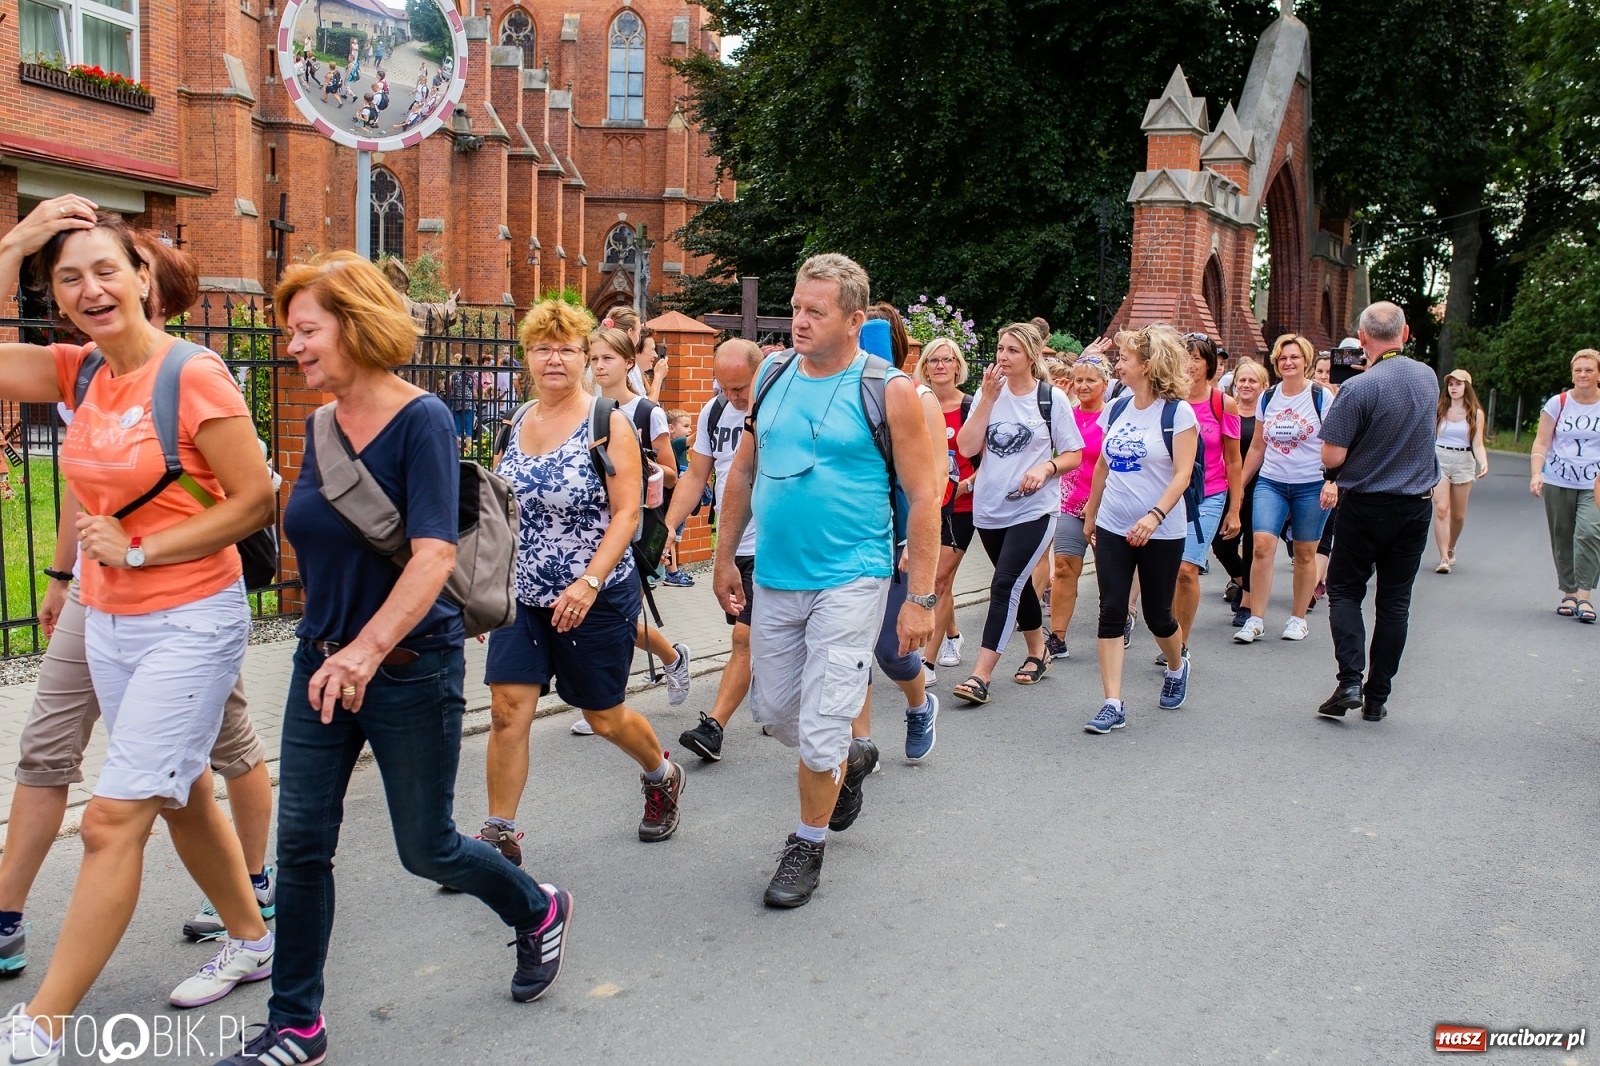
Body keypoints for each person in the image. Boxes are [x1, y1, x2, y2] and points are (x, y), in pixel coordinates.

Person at [220, 255, 573, 1066]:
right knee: (303, 845)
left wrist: (366, 651)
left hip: (409, 664)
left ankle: (537, 910)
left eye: (306, 330)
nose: (294, 347)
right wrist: (335, 651)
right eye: (290, 334)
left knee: (428, 847)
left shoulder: (423, 421)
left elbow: (429, 556)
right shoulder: (318, 425)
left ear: (355, 324)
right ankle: (297, 1024)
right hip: (322, 663)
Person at [0, 201, 277, 1060]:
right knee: (185, 784)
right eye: (68, 277)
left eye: (105, 270)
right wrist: (13, 243)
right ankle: (252, 935)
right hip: (111, 623)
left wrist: (141, 546)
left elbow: (256, 498)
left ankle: (42, 1020)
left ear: (144, 277)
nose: (89, 289)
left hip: (190, 619)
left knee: (114, 819)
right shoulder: (79, 373)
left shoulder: (191, 373)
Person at [712, 253, 937, 908]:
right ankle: (849, 757)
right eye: (796, 308)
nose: (799, 321)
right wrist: (725, 556)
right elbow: (745, 472)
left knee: (820, 726)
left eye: (816, 311)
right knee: (776, 712)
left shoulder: (888, 389)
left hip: (853, 575)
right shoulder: (774, 374)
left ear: (853, 319)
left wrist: (919, 598)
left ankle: (807, 843)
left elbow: (924, 497)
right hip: (778, 575)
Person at [481, 305, 686, 862]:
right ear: (527, 357)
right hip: (522, 595)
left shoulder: (608, 422)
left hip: (592, 593)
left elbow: (625, 515)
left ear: (584, 359)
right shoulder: (514, 421)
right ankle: (499, 833)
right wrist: (488, 588)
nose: (555, 359)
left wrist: (589, 583)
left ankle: (661, 772)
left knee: (602, 716)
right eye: (543, 348)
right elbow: (498, 509)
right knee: (506, 710)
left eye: (568, 349)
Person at [1315, 302, 1441, 722]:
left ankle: (1350, 678)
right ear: (1404, 336)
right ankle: (1377, 697)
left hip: (1366, 502)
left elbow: (1332, 454)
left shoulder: (1359, 388)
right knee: (1394, 602)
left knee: (1347, 590)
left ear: (1363, 340)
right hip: (1415, 505)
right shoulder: (1427, 377)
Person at [949, 323, 1083, 705]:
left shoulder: (1050, 399)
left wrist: (1046, 469)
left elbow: (1074, 453)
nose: (1002, 357)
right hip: (990, 508)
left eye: (1011, 351)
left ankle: (980, 675)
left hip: (1034, 508)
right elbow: (966, 445)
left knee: (1004, 585)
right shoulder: (987, 395)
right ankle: (1038, 650)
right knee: (1018, 583)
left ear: (1030, 356)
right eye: (999, 349)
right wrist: (987, 401)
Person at [1080, 324, 1197, 733]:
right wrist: (1091, 513)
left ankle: (1177, 664)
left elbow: (1182, 475)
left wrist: (1154, 516)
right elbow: (1102, 464)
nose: (1118, 364)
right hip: (1113, 523)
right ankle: (1112, 702)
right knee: (1111, 608)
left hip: (1161, 529)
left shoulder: (1177, 412)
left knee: (1157, 615)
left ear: (1147, 365)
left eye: (1125, 358)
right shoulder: (1116, 407)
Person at [582, 325, 691, 720]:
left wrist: (642, 464)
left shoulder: (647, 412)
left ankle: (604, 699)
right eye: (593, 359)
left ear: (629, 363)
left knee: (617, 615)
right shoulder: (584, 409)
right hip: (592, 525)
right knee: (604, 613)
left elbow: (674, 473)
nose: (599, 367)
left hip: (639, 524)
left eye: (608, 358)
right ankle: (672, 657)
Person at [853, 307, 946, 765]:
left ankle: (918, 704)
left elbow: (934, 480)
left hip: (898, 536)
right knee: (852, 647)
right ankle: (859, 746)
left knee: (891, 651)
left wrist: (914, 539)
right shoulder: (846, 391)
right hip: (855, 537)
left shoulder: (916, 396)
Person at [665, 339, 762, 763]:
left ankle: (714, 727)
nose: (732, 396)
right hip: (732, 543)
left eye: (740, 387)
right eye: (724, 386)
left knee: (744, 637)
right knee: (752, 637)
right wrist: (670, 525)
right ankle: (766, 680)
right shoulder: (715, 411)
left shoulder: (779, 408)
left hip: (776, 545)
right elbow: (695, 476)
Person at [1235, 335, 1333, 644]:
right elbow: (1257, 447)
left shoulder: (1320, 397)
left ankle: (1297, 618)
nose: (1288, 363)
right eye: (1282, 358)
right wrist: (1239, 486)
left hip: (1311, 484)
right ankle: (1255, 618)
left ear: (1306, 360)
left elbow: (1337, 443)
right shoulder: (1269, 397)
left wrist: (1334, 480)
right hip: (1272, 482)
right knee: (1262, 546)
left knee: (1305, 553)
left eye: (1294, 357)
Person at [1171, 333, 1242, 659]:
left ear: (1209, 364)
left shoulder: (1222, 403)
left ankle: (1180, 642)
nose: (1190, 364)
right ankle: (1170, 633)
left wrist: (1235, 510)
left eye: (1197, 358)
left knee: (1187, 569)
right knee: (1168, 570)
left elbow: (1233, 459)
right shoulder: (1169, 400)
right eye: (1185, 357)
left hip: (1210, 493)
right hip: (1171, 493)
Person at [1046, 347, 1111, 660]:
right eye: (1079, 380)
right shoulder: (1066, 415)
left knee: (1108, 572)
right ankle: (1057, 637)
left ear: (1105, 384)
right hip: (1068, 504)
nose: (1084, 386)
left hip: (1106, 507)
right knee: (1063, 568)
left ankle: (1116, 621)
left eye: (1091, 380)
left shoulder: (1113, 416)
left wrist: (1097, 506)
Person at [916, 337, 976, 674]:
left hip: (962, 506)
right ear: (924, 367)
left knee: (938, 579)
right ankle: (952, 634)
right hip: (925, 504)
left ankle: (927, 661)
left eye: (947, 360)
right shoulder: (917, 405)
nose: (940, 366)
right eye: (934, 360)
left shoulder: (970, 406)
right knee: (941, 581)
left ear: (957, 367)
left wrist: (965, 485)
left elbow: (990, 459)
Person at [1528, 349, 1600, 622]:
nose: (1583, 374)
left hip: (1595, 483)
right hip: (1559, 480)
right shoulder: (1557, 404)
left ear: (1598, 374)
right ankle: (1568, 592)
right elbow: (1542, 442)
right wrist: (1537, 473)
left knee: (1590, 533)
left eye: (1589, 370)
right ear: (1572, 373)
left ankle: (1584, 596)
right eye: (1578, 370)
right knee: (1563, 536)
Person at [1212, 357, 1269, 626]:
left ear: (1263, 386)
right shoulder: (1226, 409)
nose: (1245, 385)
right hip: (1227, 486)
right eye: (1241, 381)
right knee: (1221, 544)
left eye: (1251, 381)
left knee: (1252, 546)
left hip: (1261, 487)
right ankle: (1244, 582)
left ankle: (1247, 603)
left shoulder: (1267, 415)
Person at [1432, 368, 1489, 574]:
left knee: (1457, 515)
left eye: (1459, 384)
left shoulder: (1475, 413)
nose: (1454, 388)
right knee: (1441, 509)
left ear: (1467, 387)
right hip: (1440, 458)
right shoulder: (1439, 409)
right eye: (1451, 384)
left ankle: (1451, 545)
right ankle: (1443, 558)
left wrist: (1483, 463)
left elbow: (1478, 443)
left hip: (1464, 460)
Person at [662, 408, 694, 587]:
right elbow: (694, 438)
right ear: (671, 428)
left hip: (679, 498)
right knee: (671, 537)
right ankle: (672, 572)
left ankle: (672, 570)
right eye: (686, 425)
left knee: (674, 537)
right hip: (675, 500)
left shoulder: (679, 448)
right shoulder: (676, 444)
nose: (689, 429)